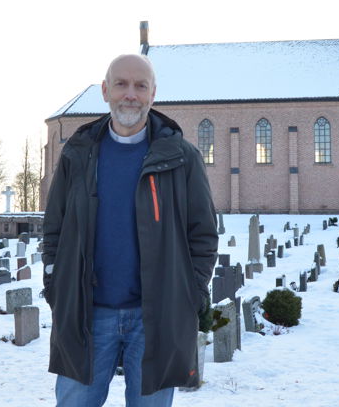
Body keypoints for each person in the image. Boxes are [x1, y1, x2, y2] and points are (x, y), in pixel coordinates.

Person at [42, 53, 218, 406]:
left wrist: (190, 296)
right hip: (87, 316)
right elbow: (55, 229)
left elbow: (203, 236)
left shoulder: (181, 157)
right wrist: (55, 285)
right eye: (121, 84)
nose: (130, 94)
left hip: (154, 318)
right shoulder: (78, 154)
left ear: (153, 94)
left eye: (140, 86)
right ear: (105, 90)